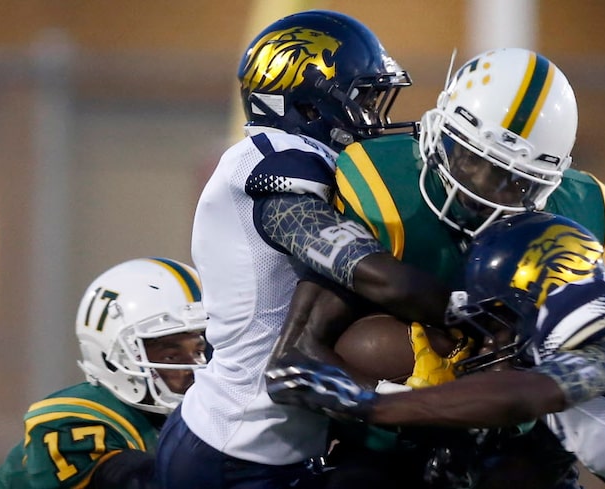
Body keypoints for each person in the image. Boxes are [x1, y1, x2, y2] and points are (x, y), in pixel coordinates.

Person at [273, 48, 605, 488]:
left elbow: (588, 377)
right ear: (438, 128)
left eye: (513, 179)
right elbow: (296, 355)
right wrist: (409, 406)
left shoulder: (600, 225)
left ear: (552, 179)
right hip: (388, 437)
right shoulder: (385, 191)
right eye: (469, 157)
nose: (481, 189)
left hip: (515, 439)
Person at [268, 211, 605, 488]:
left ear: (535, 288)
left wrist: (374, 405)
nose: (490, 339)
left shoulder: (599, 306)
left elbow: (530, 394)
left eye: (497, 319)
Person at [154, 10, 457, 489]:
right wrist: (468, 311)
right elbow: (362, 268)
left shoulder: (295, 158)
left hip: (271, 445)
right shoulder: (273, 162)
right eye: (365, 100)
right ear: (310, 109)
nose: (375, 118)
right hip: (231, 453)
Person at [0, 257, 207, 489]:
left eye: (198, 351)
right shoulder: (71, 419)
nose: (194, 368)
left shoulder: (197, 417)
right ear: (110, 355)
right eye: (171, 356)